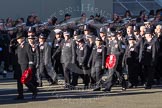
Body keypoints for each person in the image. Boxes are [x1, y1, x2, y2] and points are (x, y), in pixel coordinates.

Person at [9, 32, 37, 99]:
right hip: (18, 66)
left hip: (25, 65)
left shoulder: (27, 45)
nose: (18, 40)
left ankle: (34, 90)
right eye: (17, 39)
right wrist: (10, 45)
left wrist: (30, 66)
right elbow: (11, 53)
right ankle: (20, 94)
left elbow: (30, 56)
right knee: (19, 81)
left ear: (23, 38)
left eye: (19, 39)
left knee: (25, 80)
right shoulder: (17, 46)